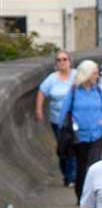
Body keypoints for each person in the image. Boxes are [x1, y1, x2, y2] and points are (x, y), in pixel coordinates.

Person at [64, 60, 102, 200]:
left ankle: (94, 196)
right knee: (81, 166)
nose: (97, 76)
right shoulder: (74, 91)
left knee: (95, 166)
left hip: (97, 133)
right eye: (95, 73)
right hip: (80, 136)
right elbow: (65, 112)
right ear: (87, 74)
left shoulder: (97, 90)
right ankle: (81, 196)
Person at [36, 49, 76, 186]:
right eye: (59, 60)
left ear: (70, 61)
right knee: (63, 148)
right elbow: (42, 92)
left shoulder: (76, 76)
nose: (62, 62)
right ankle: (66, 174)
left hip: (75, 118)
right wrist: (39, 109)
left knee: (74, 146)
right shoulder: (52, 78)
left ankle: (72, 177)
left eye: (65, 59)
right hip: (58, 120)